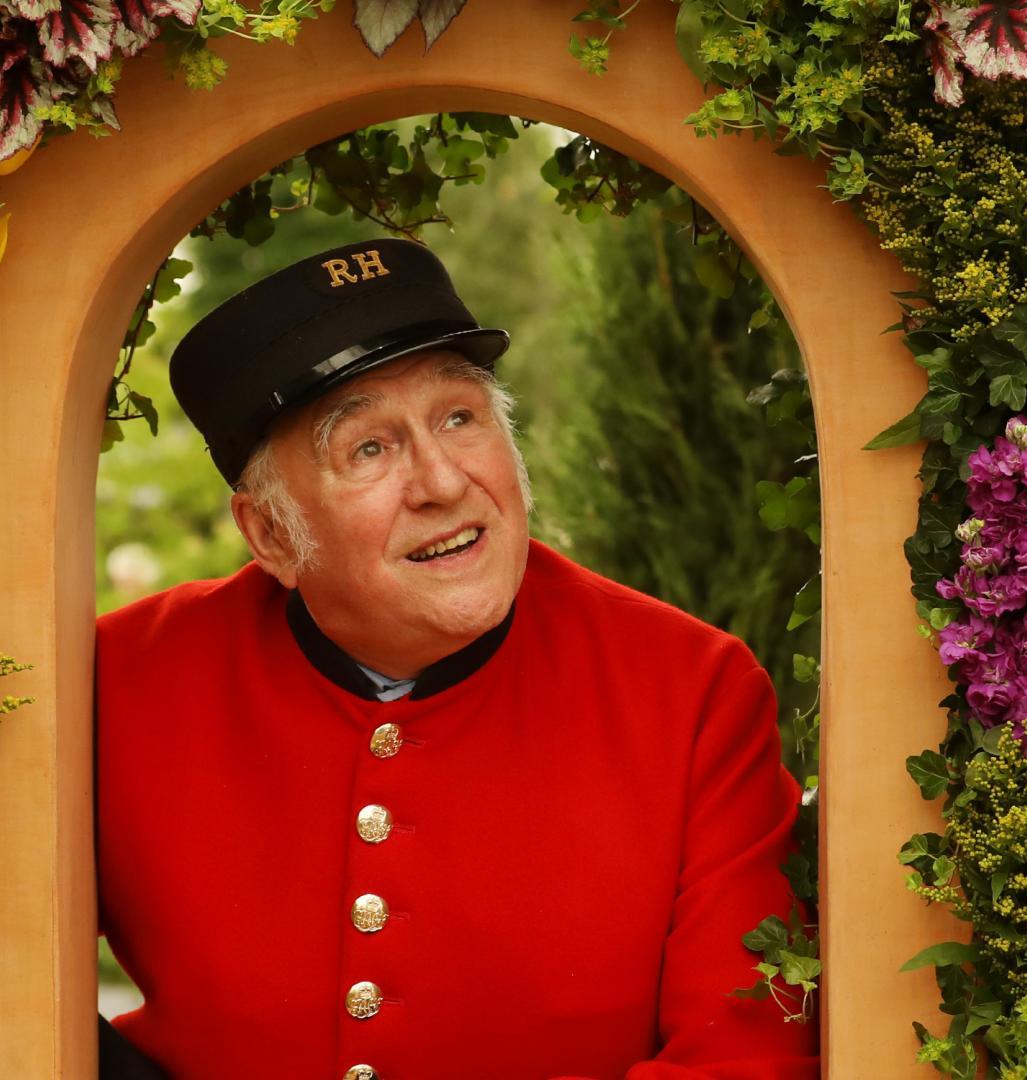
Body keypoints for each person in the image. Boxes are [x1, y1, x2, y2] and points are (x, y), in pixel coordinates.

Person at [94, 237, 819, 1080]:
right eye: (368, 448)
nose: (442, 481)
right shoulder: (115, 682)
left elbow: (741, 1056)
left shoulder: (692, 689)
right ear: (269, 534)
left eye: (460, 419)